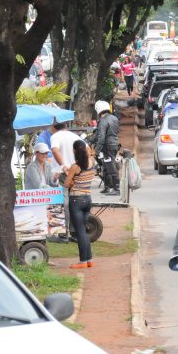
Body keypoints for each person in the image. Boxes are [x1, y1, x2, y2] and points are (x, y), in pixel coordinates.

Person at [64, 139, 97, 269]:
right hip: (87, 199)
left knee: (80, 231)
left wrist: (69, 176)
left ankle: (83, 261)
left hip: (76, 201)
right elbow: (91, 154)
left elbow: (66, 184)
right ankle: (89, 259)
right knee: (84, 230)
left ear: (74, 151)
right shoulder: (91, 163)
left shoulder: (75, 166)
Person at [93, 100, 121, 195]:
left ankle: (116, 189)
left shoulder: (103, 121)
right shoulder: (114, 118)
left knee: (111, 166)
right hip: (115, 144)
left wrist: (96, 151)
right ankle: (108, 186)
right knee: (106, 166)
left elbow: (101, 137)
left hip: (108, 146)